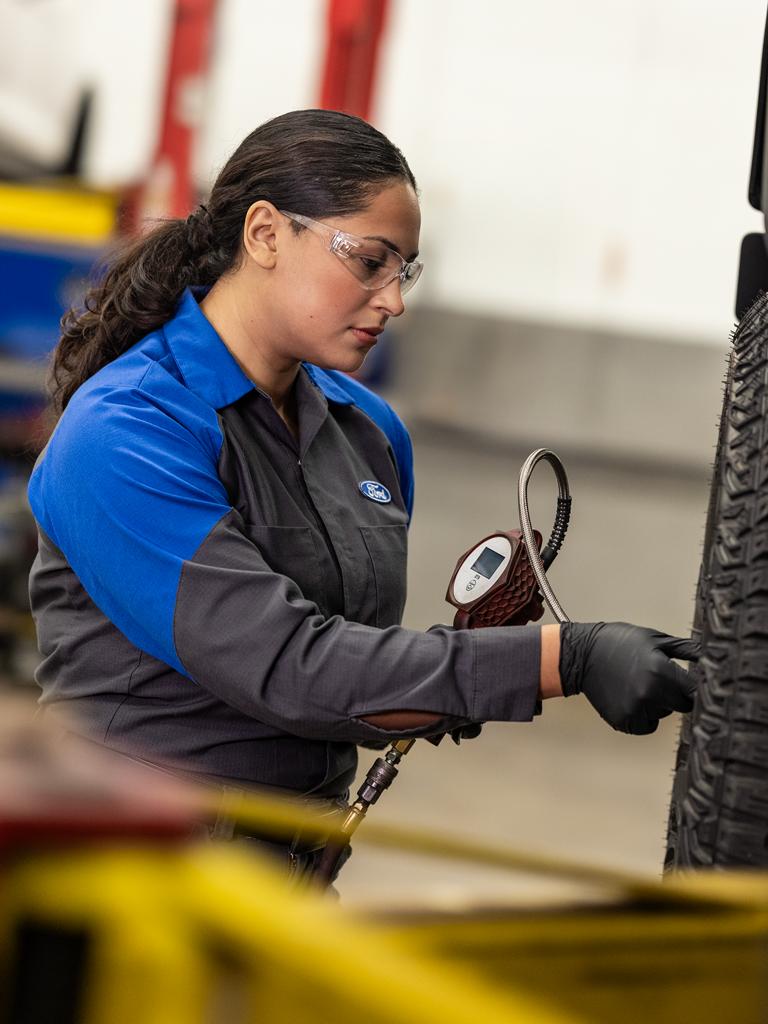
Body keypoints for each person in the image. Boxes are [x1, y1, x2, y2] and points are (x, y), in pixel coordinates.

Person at [27, 109, 697, 879]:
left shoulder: (369, 430)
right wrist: (562, 659)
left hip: (294, 872)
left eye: (405, 269)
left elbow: (352, 662)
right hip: (127, 877)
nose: (394, 299)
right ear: (267, 234)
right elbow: (288, 666)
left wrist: (450, 677)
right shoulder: (127, 429)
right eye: (369, 261)